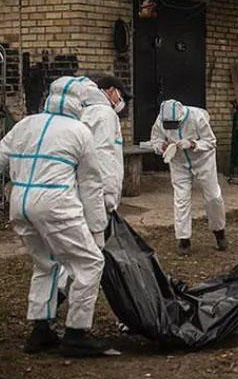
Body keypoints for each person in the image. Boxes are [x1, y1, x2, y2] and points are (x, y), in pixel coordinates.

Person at [0, 76, 114, 357]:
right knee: (90, 262)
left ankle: (40, 331)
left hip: (20, 205)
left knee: (45, 264)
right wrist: (97, 228)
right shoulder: (80, 131)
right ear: (80, 102)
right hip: (56, 204)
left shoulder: (26, 124)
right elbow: (90, 185)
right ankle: (76, 333)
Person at [149, 100, 227, 253]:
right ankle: (183, 240)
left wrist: (192, 144)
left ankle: (220, 232)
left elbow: (211, 142)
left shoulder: (197, 117)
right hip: (178, 161)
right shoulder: (160, 120)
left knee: (213, 197)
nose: (171, 127)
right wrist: (163, 146)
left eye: (174, 124)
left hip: (203, 160)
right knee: (181, 199)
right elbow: (155, 140)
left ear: (181, 117)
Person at [83, 74, 130, 213]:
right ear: (110, 91)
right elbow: (103, 152)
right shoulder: (105, 113)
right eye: (120, 95)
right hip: (100, 190)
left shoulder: (86, 110)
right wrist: (109, 193)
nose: (121, 101)